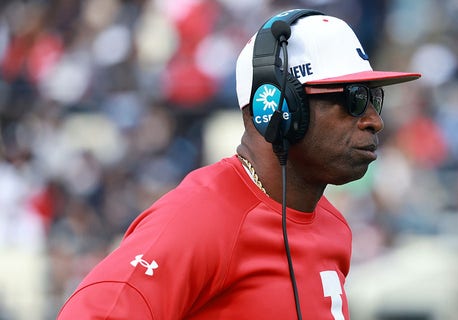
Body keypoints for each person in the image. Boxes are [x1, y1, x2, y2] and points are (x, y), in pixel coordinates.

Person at [57, 8, 420, 320]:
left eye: (375, 97)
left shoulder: (334, 226)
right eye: (354, 99)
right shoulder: (199, 217)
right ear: (277, 108)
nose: (374, 119)